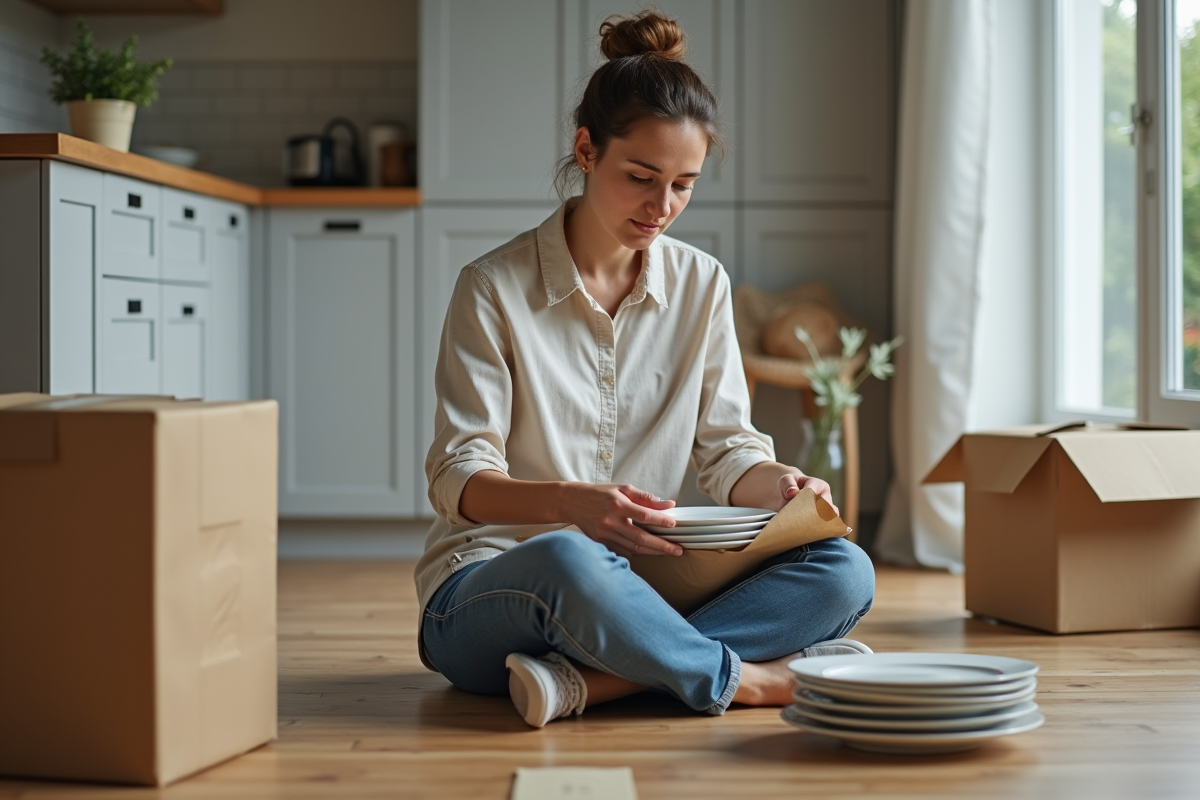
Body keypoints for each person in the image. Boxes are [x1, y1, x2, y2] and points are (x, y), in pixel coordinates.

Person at [416, 11, 875, 728]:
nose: (662, 207)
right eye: (642, 177)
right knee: (571, 559)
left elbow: (728, 453)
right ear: (587, 150)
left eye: (684, 185)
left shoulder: (703, 285)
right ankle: (753, 682)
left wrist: (781, 486)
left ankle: (596, 683)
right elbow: (457, 481)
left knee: (844, 570)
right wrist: (572, 505)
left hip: (647, 591)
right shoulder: (492, 288)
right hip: (496, 590)